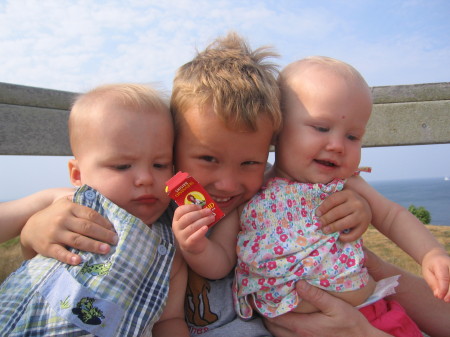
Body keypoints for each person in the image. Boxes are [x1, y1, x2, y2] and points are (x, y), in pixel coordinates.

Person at [5, 33, 446, 336]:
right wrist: (32, 233)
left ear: (273, 149)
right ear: (172, 149)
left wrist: (382, 223)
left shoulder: (289, 210)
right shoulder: (148, 212)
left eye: (252, 161)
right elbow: (52, 247)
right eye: (206, 158)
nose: (227, 182)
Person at [233, 57, 449, 334]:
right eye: (321, 128)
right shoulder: (254, 187)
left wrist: (431, 254)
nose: (337, 145)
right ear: (277, 127)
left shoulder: (344, 184)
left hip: (370, 318)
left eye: (353, 136)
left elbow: (393, 215)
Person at [0, 84, 189, 336]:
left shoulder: (170, 250)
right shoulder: (67, 202)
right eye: (122, 166)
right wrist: (31, 228)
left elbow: (170, 320)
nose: (145, 178)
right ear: (77, 175)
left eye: (160, 164)